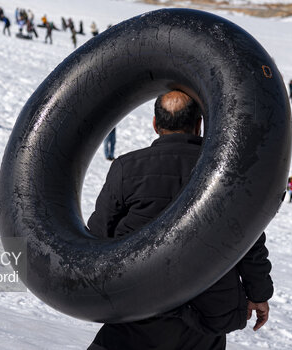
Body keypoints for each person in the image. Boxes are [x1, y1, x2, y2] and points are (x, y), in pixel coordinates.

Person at [87, 91, 273, 350]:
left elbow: (97, 236)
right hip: (205, 313)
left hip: (136, 307)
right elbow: (248, 239)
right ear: (199, 125)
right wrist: (259, 293)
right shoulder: (226, 174)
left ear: (155, 124)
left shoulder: (126, 168)